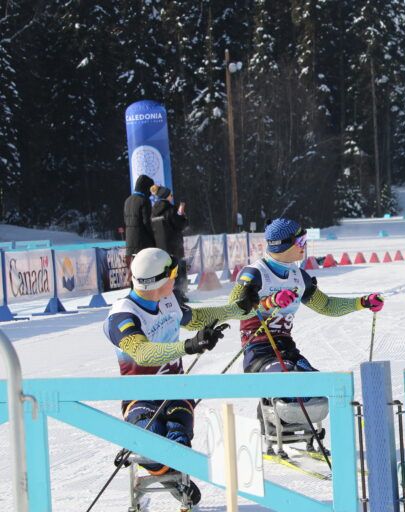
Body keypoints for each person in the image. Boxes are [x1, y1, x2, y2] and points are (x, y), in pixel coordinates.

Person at [103, 247, 257, 504]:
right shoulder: (123, 314)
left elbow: (197, 318)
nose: (176, 278)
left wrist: (239, 309)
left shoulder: (166, 300)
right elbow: (142, 353)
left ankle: (172, 474)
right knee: (148, 437)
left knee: (178, 439)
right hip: (141, 397)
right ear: (159, 280)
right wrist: (188, 346)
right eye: (173, 273)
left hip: (176, 393)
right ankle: (170, 477)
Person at [228, 218, 384, 455]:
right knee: (291, 384)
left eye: (305, 240)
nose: (304, 245)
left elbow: (328, 306)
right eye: (300, 240)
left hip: (286, 348)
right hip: (259, 350)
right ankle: (271, 425)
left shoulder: (299, 277)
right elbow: (233, 307)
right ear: (282, 244)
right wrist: (269, 302)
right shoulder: (254, 274)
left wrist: (361, 303)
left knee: (319, 387)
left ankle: (307, 432)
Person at [150, 185, 189, 300]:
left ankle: (165, 293)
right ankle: (179, 294)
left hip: (159, 248)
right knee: (178, 270)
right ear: (166, 197)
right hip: (174, 247)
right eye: (171, 195)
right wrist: (183, 216)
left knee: (164, 272)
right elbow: (181, 225)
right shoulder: (171, 210)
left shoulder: (152, 212)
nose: (172, 197)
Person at [124, 174, 156, 271]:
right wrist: (153, 237)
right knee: (146, 267)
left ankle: (134, 285)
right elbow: (147, 222)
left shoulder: (128, 200)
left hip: (130, 239)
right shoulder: (144, 200)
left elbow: (125, 220)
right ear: (146, 187)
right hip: (143, 241)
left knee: (134, 268)